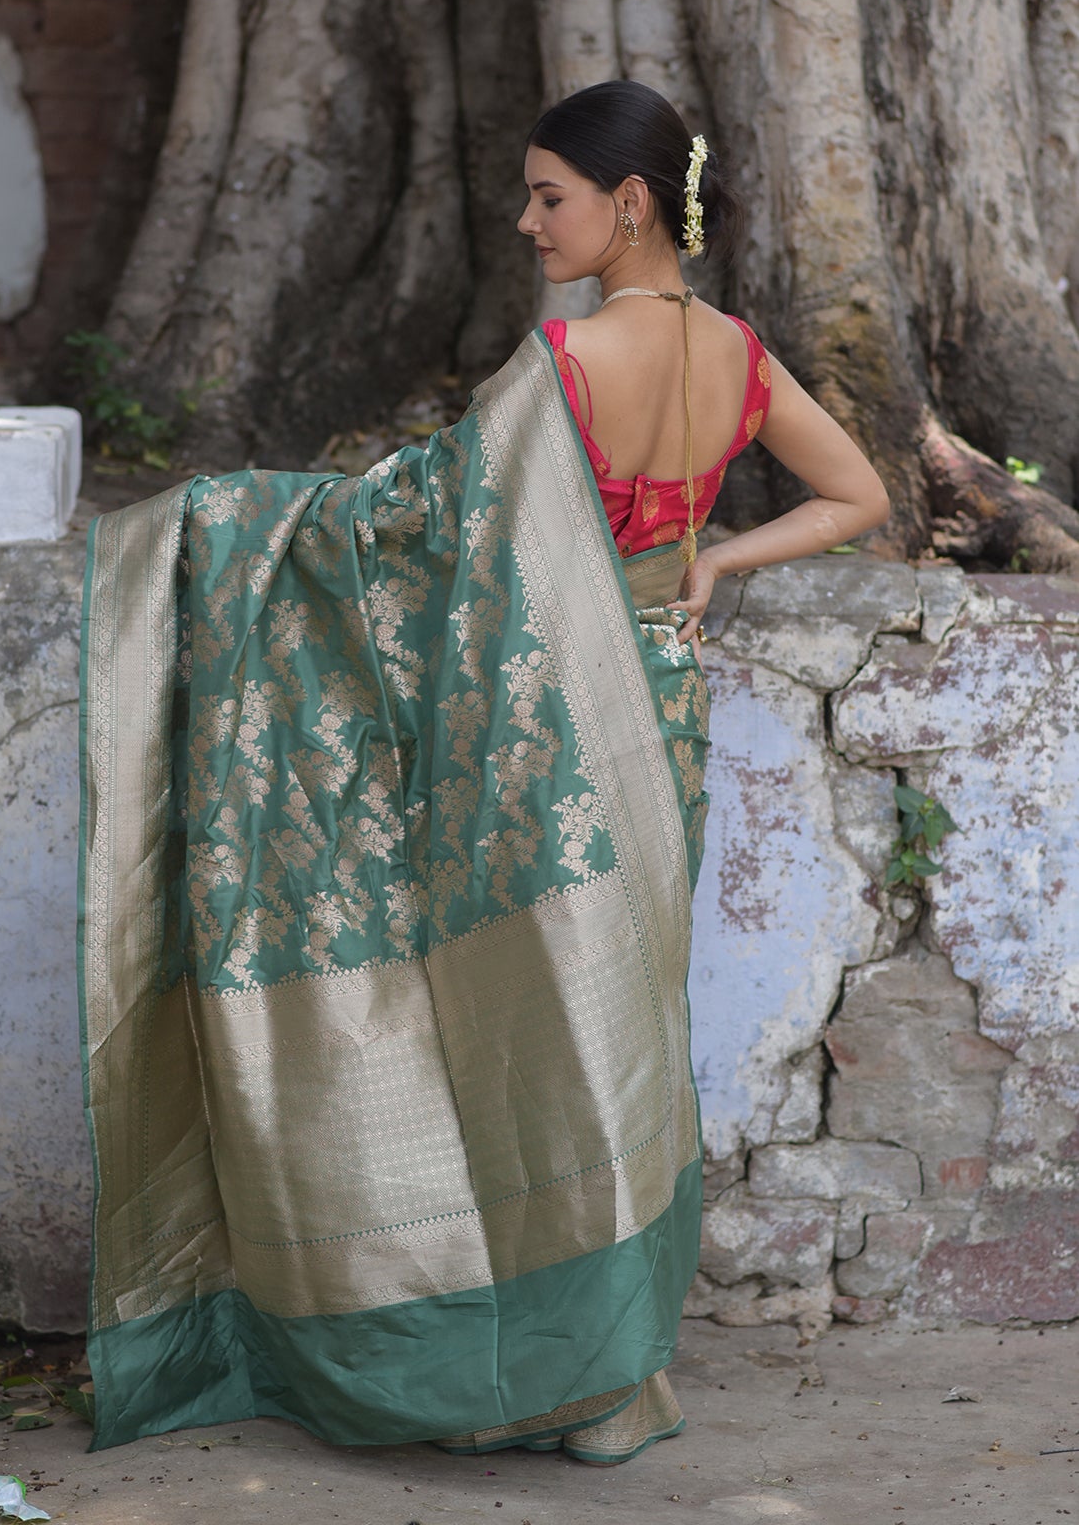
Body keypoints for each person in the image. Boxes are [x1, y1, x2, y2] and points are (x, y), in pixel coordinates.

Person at [77, 80, 888, 1466]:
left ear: (630, 206)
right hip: (664, 715)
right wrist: (717, 558)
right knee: (621, 1029)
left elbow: (405, 535)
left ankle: (524, 1364)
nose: (527, 223)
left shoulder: (563, 373)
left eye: (549, 196)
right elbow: (861, 494)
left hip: (553, 736)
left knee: (523, 1037)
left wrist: (223, 524)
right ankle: (619, 1375)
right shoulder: (741, 357)